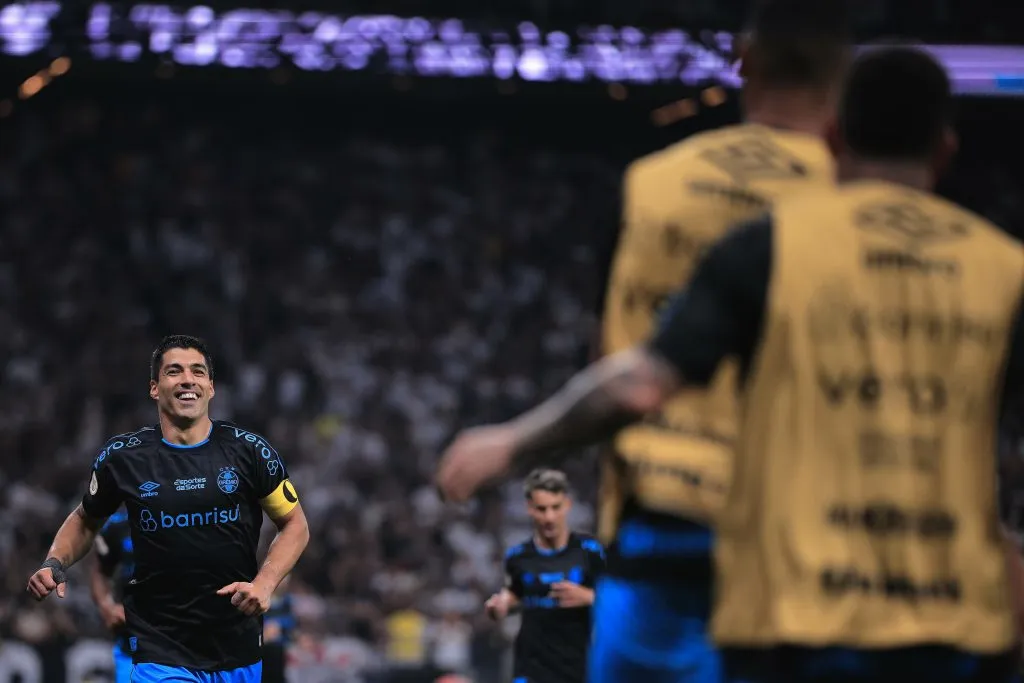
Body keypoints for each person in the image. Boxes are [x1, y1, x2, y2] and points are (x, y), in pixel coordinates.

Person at [438, 47, 1024, 683]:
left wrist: (513, 442)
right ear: (944, 150)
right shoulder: (1004, 271)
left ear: (833, 137)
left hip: (802, 613)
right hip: (956, 617)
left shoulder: (775, 244)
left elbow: (640, 386)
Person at [598, 0, 852, 679]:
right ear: (841, 76)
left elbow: (624, 364)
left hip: (662, 511)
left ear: (744, 59)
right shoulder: (851, 201)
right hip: (804, 529)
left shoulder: (651, 183)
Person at [27, 334, 310, 683]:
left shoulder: (250, 451)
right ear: (155, 388)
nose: (187, 379)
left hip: (237, 645)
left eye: (198, 371)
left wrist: (265, 583)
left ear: (211, 387)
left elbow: (295, 524)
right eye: (174, 371)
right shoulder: (123, 458)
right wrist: (55, 562)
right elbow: (86, 519)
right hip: (158, 646)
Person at [483, 469, 605, 683]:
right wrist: (501, 604)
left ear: (567, 505)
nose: (549, 517)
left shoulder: (589, 551)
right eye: (541, 509)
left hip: (577, 669)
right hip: (531, 669)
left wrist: (588, 597)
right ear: (529, 508)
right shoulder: (518, 557)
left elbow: (618, 599)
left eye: (555, 508)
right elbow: (516, 593)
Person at [90, 507, 134, 683]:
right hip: (130, 640)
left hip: (182, 634)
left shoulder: (185, 517)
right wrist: (106, 605)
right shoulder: (116, 525)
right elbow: (100, 572)